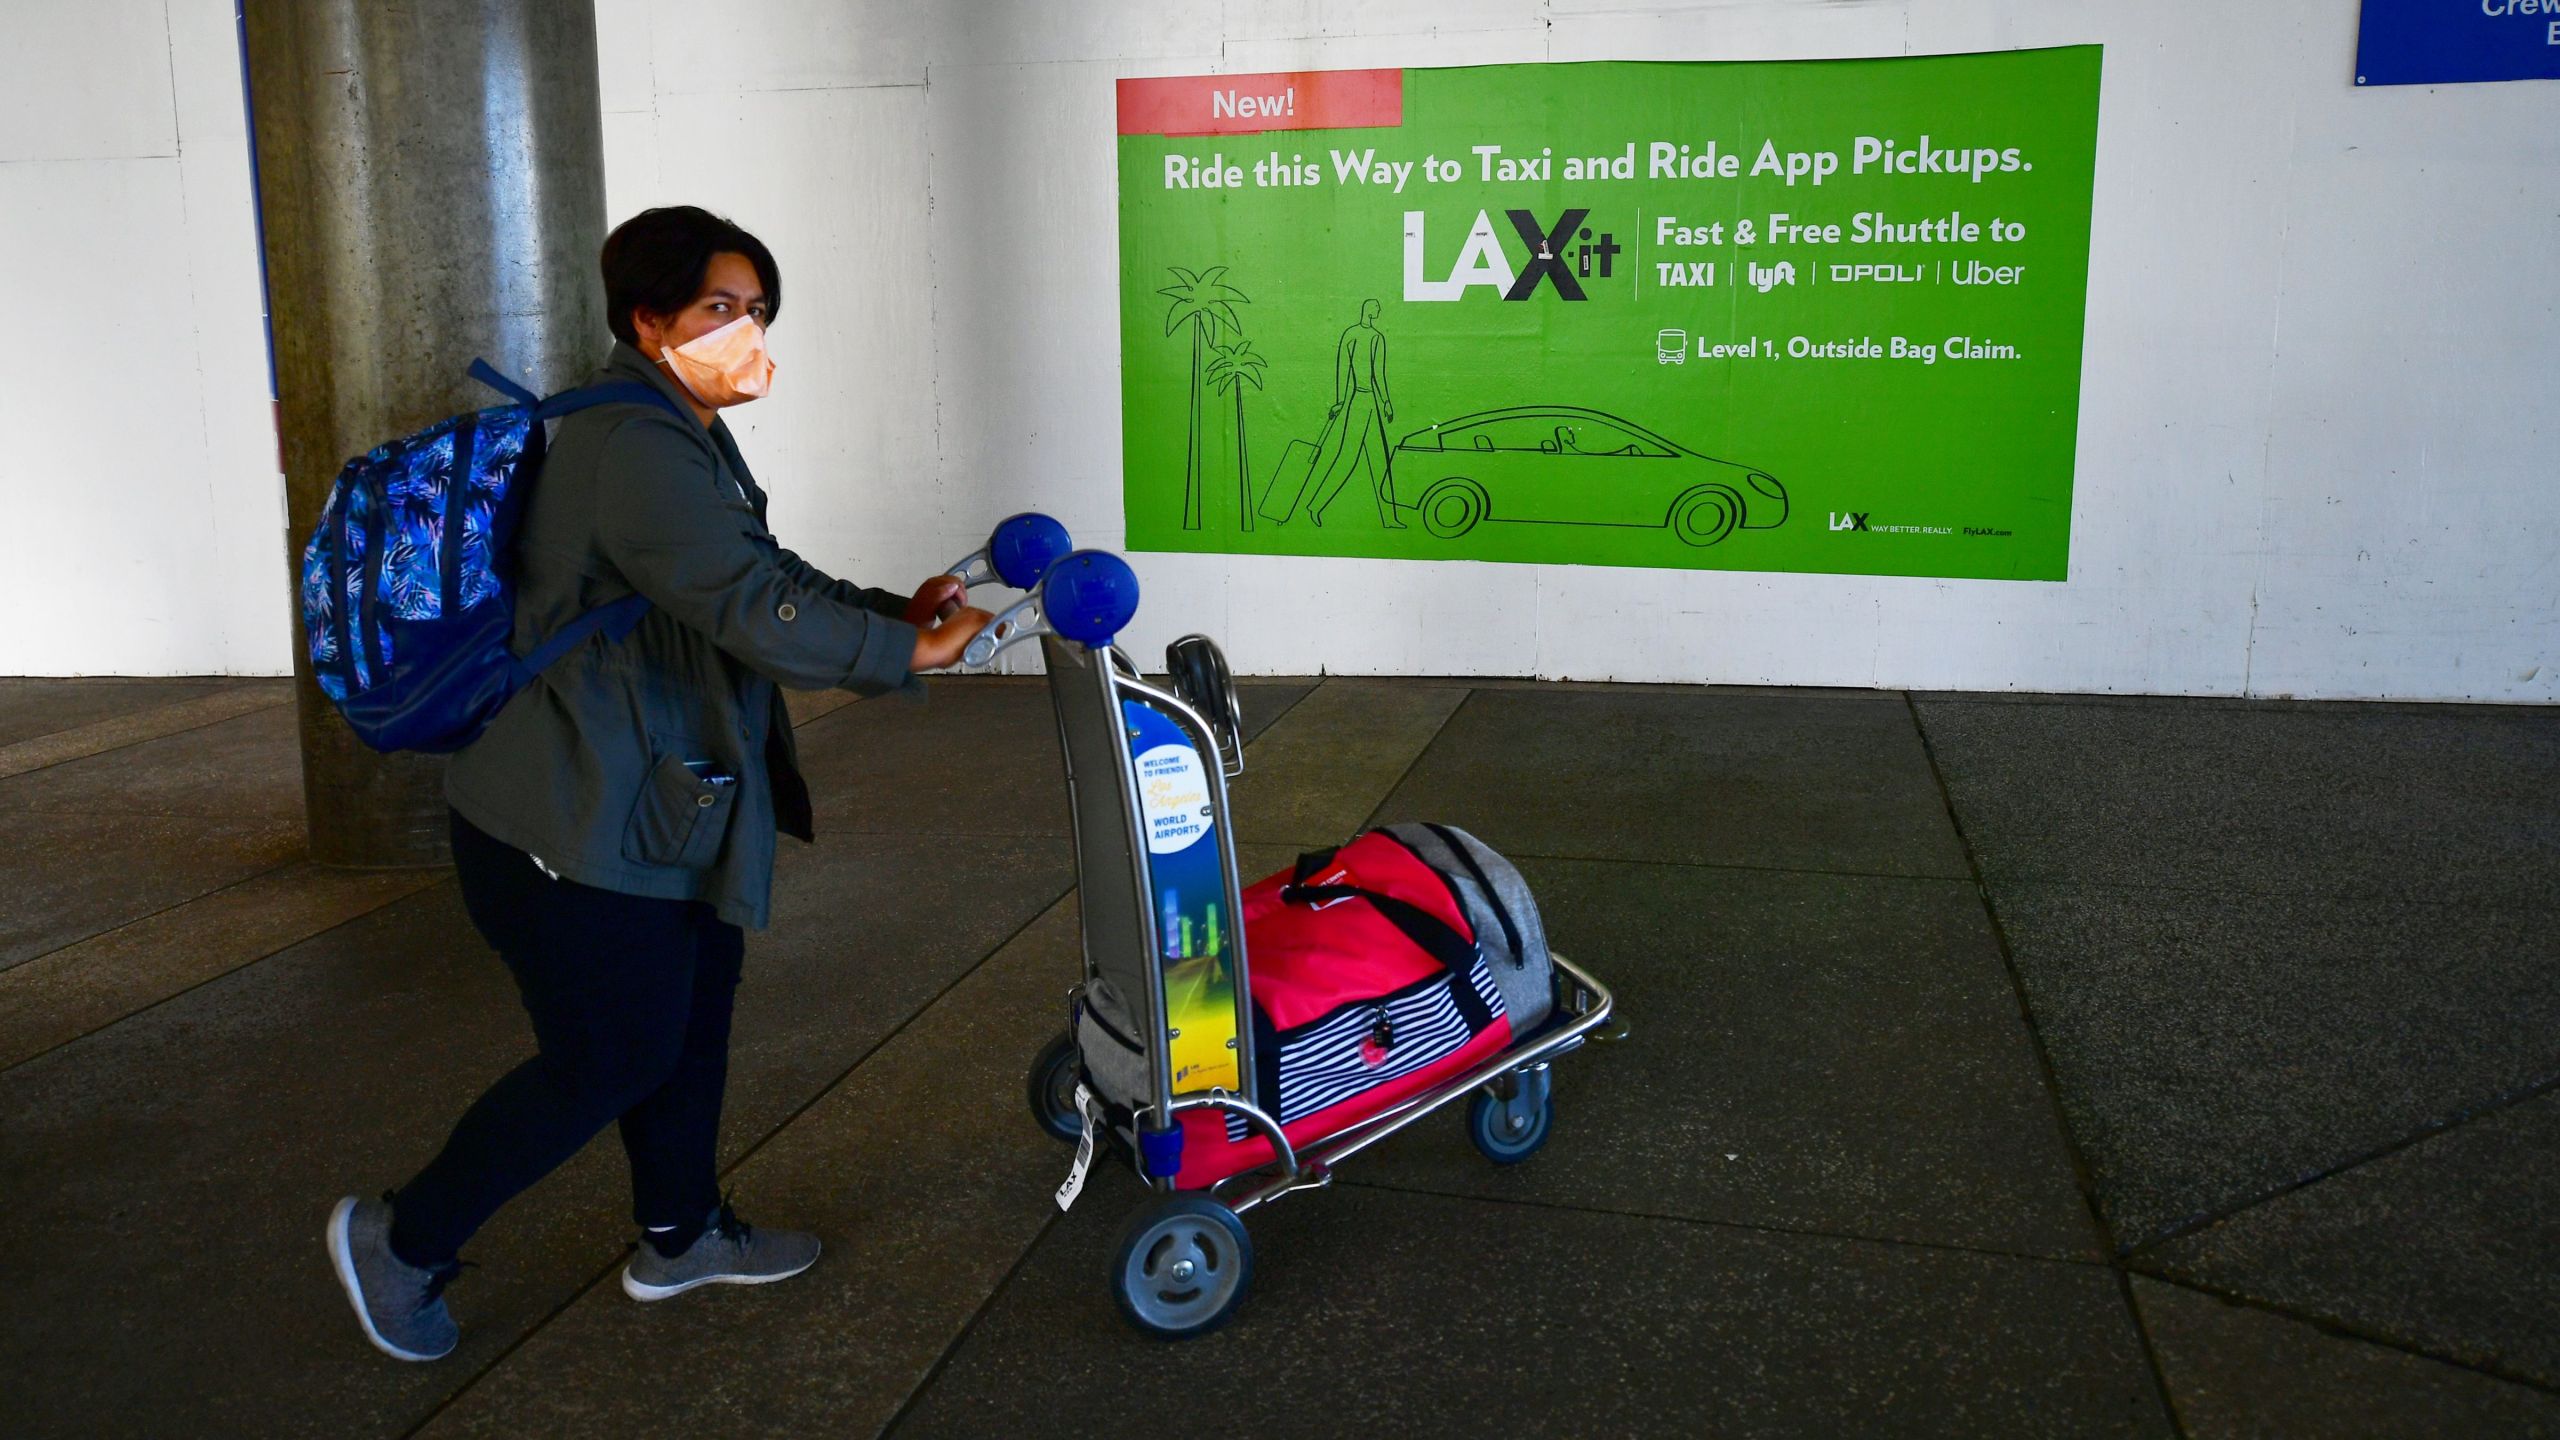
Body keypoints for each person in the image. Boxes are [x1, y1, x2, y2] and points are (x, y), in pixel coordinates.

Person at [325, 206, 992, 1363]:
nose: (748, 333)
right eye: (720, 310)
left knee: (688, 1024)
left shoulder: (675, 425)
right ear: (649, 319)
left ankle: (680, 1236)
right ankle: (403, 1239)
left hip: (656, 802)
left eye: (759, 312)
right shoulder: (631, 444)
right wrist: (899, 656)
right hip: (572, 826)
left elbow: (754, 569)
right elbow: (747, 609)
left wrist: (890, 613)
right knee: (613, 1055)